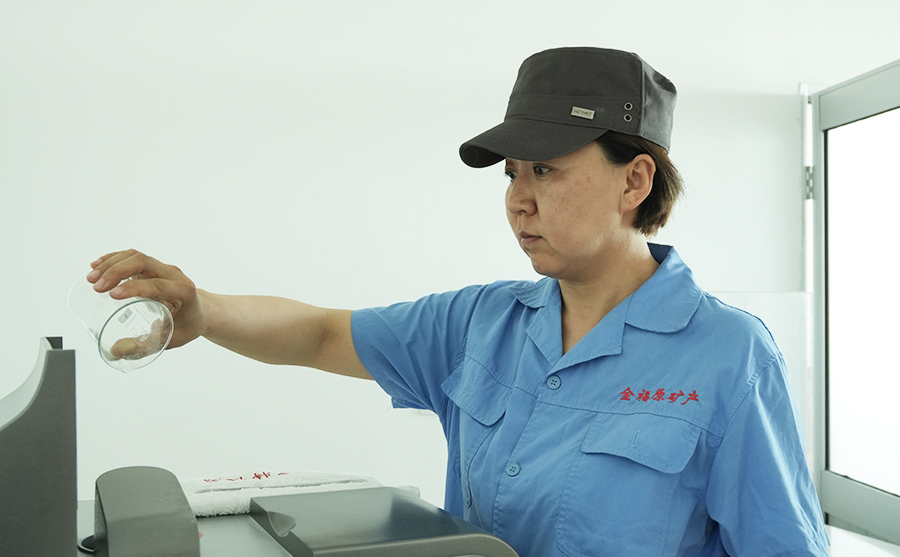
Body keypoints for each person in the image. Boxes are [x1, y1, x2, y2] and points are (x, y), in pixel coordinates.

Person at [87, 47, 829, 556]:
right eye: (511, 174)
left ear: (634, 181)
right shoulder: (482, 323)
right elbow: (321, 334)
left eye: (545, 170)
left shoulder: (730, 355)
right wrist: (203, 311)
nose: (518, 200)